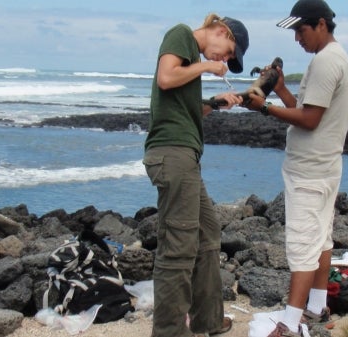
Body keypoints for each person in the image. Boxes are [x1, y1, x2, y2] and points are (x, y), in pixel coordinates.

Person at [244, 0, 348, 336]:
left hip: (310, 172)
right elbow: (306, 108)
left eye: (300, 30)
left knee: (303, 247)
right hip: (325, 166)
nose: (297, 39)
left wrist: (265, 108)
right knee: (321, 240)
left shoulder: (325, 63)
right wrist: (280, 90)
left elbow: (308, 120)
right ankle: (317, 308)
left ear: (321, 24)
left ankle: (290, 324)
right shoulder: (336, 58)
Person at [142, 14, 249, 337]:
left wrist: (214, 104)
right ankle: (170, 332)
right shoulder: (181, 35)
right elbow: (166, 78)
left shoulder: (190, 54)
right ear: (221, 31)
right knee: (179, 246)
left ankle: (208, 320)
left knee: (207, 232)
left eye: (229, 58)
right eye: (229, 51)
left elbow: (184, 104)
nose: (224, 60)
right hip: (172, 153)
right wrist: (206, 67)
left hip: (184, 155)